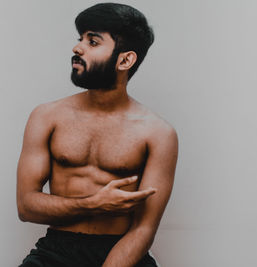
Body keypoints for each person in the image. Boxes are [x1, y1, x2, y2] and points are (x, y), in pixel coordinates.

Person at [16, 3, 178, 267]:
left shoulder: (157, 134)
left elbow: (144, 229)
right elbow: (26, 206)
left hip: (123, 251)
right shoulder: (47, 117)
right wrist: (94, 204)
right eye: (80, 39)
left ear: (125, 60)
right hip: (56, 250)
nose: (77, 48)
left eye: (92, 42)